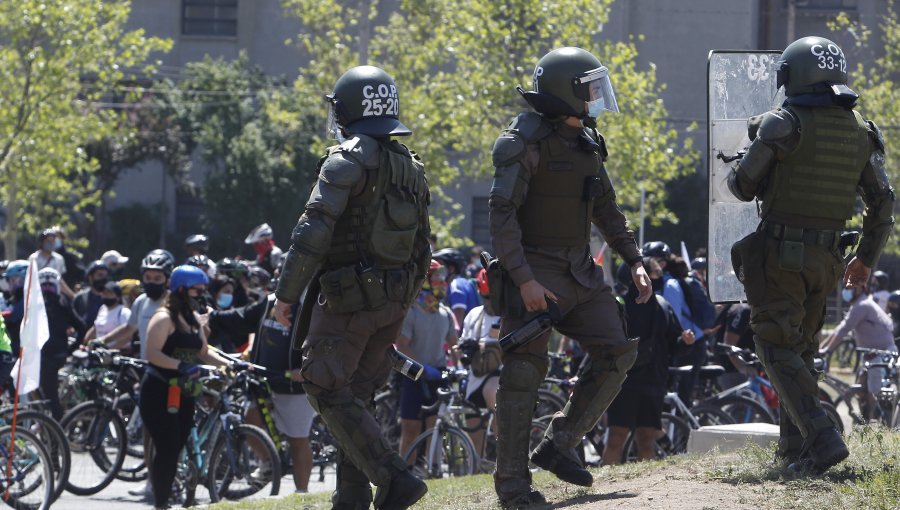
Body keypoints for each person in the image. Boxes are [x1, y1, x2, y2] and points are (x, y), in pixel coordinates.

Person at [488, 46, 651, 507]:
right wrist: (522, 279)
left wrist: (633, 259)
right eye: (591, 88)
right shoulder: (523, 142)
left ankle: (559, 443)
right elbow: (501, 216)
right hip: (534, 272)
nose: (599, 96)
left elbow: (607, 208)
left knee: (617, 353)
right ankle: (513, 487)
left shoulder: (589, 139)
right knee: (522, 375)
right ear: (565, 93)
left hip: (581, 271)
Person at [726, 36, 894, 474]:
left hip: (782, 255)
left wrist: (745, 157)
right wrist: (866, 259)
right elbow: (884, 202)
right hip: (830, 260)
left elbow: (742, 187)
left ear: (794, 76)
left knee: (772, 343)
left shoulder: (783, 123)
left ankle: (821, 435)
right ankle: (795, 449)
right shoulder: (863, 129)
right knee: (799, 350)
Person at [272, 65, 432, 510]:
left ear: (347, 111)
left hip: (346, 301)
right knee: (354, 400)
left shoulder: (346, 158)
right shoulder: (411, 166)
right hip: (392, 301)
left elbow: (314, 230)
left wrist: (286, 296)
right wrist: (402, 303)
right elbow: (424, 248)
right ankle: (352, 500)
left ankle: (394, 478)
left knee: (324, 387)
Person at [139, 265, 233, 510]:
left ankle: (169, 496)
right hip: (159, 391)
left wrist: (231, 365)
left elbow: (203, 351)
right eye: (196, 290)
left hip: (184, 391)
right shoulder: (163, 318)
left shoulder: (192, 319)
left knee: (179, 444)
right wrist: (181, 365)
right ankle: (161, 504)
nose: (201, 295)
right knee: (168, 448)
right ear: (181, 290)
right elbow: (152, 354)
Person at [209, 291, 316, 493]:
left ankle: (301, 492)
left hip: (293, 385)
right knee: (249, 423)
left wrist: (307, 367)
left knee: (297, 439)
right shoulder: (269, 302)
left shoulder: (311, 305)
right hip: (262, 380)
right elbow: (243, 318)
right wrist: (212, 316)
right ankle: (269, 463)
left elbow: (321, 339)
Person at [602, 259, 694, 465]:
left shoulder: (663, 306)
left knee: (646, 438)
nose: (657, 277)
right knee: (616, 437)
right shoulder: (619, 306)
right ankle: (604, 487)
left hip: (654, 381)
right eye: (653, 273)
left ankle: (645, 489)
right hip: (624, 382)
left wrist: (685, 341)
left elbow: (674, 344)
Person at [396, 260, 456, 460]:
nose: (442, 282)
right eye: (437, 277)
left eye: (442, 277)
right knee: (410, 429)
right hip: (414, 375)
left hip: (438, 376)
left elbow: (454, 345)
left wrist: (459, 366)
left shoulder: (445, 313)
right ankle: (405, 471)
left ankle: (433, 470)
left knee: (435, 428)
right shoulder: (411, 311)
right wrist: (422, 367)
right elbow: (402, 345)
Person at [819, 285, 896, 420]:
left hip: (881, 354)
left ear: (860, 289)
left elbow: (843, 331)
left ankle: (876, 424)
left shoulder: (863, 305)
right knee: (861, 390)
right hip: (871, 354)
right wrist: (822, 348)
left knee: (873, 392)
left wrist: (827, 350)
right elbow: (840, 328)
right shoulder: (860, 304)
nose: (846, 291)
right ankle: (866, 419)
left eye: (850, 288)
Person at [456, 267, 502, 456]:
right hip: (474, 374)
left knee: (492, 392)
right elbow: (460, 349)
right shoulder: (474, 314)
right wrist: (464, 348)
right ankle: (476, 465)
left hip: (499, 372)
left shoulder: (509, 315)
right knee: (473, 421)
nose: (489, 302)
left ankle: (506, 454)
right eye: (486, 297)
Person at [37, 268, 85, 419]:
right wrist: (70, 349)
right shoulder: (62, 302)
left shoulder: (38, 304)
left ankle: (58, 431)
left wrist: (71, 349)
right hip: (58, 354)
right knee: (48, 394)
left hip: (47, 356)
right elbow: (81, 327)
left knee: (50, 397)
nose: (47, 289)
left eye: (49, 285)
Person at [432, 248, 479, 326]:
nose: (437, 269)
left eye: (440, 265)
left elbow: (458, 318)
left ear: (451, 269)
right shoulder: (460, 282)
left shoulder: (456, 285)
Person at [28, 228, 74, 299]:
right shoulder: (34, 258)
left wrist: (73, 296)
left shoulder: (59, 258)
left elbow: (60, 280)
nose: (51, 243)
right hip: (38, 295)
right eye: (48, 241)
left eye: (53, 241)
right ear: (41, 242)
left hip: (56, 294)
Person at [71, 260, 110, 330]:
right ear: (90, 277)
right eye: (100, 275)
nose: (103, 279)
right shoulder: (80, 298)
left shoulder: (112, 298)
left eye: (105, 276)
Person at [49, 226, 85, 290]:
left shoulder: (70, 257)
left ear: (62, 239)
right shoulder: (41, 257)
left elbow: (81, 275)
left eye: (57, 237)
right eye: (52, 237)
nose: (55, 239)